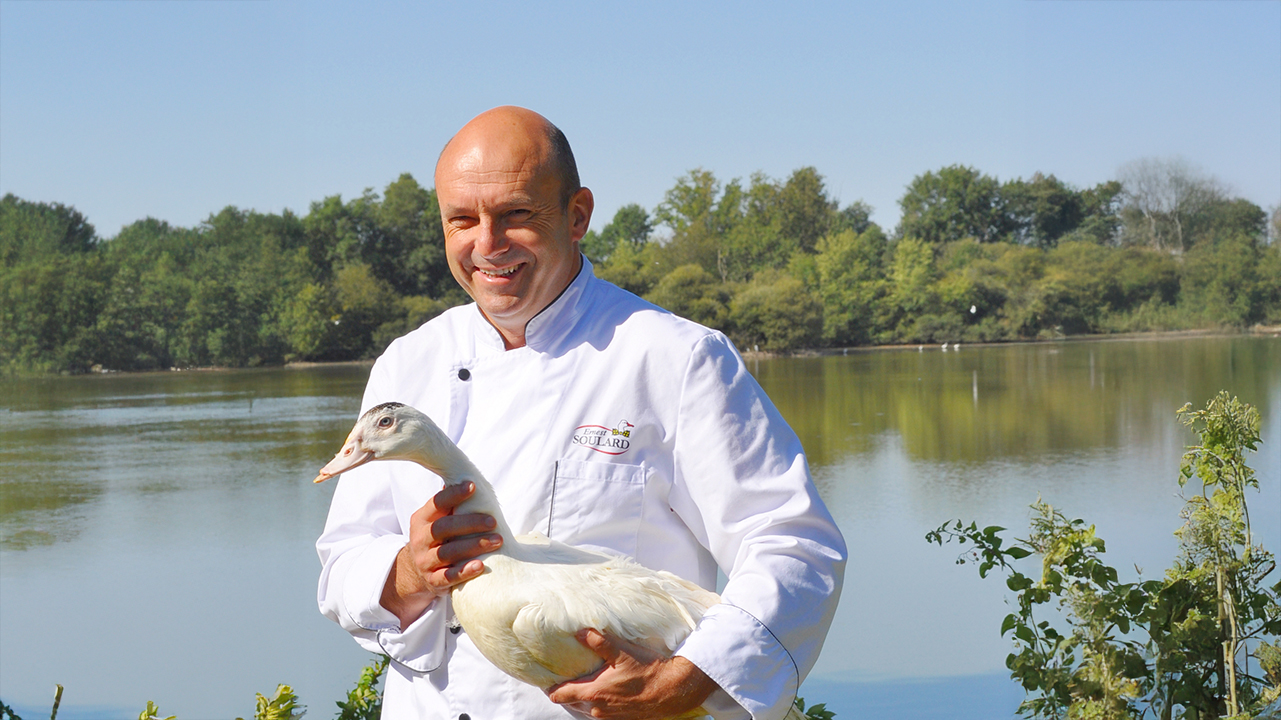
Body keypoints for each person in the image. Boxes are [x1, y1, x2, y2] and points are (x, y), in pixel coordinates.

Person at [316, 106, 846, 720]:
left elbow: (790, 540)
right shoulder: (406, 365)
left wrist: (693, 676)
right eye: (462, 220)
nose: (487, 244)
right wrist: (409, 572)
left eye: (516, 214)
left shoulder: (674, 357)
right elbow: (343, 564)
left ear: (578, 215)